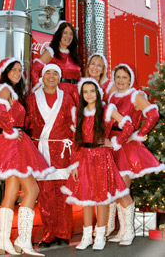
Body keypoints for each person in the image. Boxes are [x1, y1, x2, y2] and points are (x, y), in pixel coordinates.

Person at [0, 57, 55, 256]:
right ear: (5, 71)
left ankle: (4, 241)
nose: (17, 72)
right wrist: (11, 130)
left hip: (16, 143)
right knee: (33, 189)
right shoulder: (5, 89)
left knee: (11, 194)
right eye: (13, 69)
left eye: (20, 69)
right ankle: (22, 240)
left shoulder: (13, 92)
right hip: (14, 144)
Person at [60, 77, 134, 251]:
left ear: (97, 92)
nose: (89, 94)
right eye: (85, 92)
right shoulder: (80, 113)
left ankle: (100, 235)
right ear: (82, 94)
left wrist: (113, 142)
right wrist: (74, 165)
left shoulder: (108, 110)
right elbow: (76, 140)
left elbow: (128, 126)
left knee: (101, 198)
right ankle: (86, 236)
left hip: (101, 158)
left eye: (92, 91)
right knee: (85, 199)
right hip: (84, 158)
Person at [106, 63, 165, 245]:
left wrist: (138, 134)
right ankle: (122, 230)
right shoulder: (112, 96)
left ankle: (129, 231)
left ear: (130, 79)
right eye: (118, 77)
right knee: (115, 191)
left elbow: (153, 114)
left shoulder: (135, 95)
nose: (121, 80)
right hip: (111, 144)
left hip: (126, 146)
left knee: (122, 189)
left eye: (124, 77)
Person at [26, 64, 76, 248]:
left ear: (60, 77)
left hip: (63, 153)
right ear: (42, 76)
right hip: (42, 152)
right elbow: (26, 123)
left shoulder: (67, 98)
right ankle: (48, 234)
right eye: (48, 72)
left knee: (63, 195)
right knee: (45, 195)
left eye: (55, 73)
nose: (52, 76)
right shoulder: (32, 99)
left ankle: (63, 234)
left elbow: (73, 127)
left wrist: (75, 159)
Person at [31, 21, 81, 104]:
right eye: (65, 33)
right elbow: (34, 71)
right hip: (58, 94)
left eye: (71, 34)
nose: (68, 36)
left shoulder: (74, 54)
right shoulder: (51, 52)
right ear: (59, 34)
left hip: (75, 96)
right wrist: (40, 90)